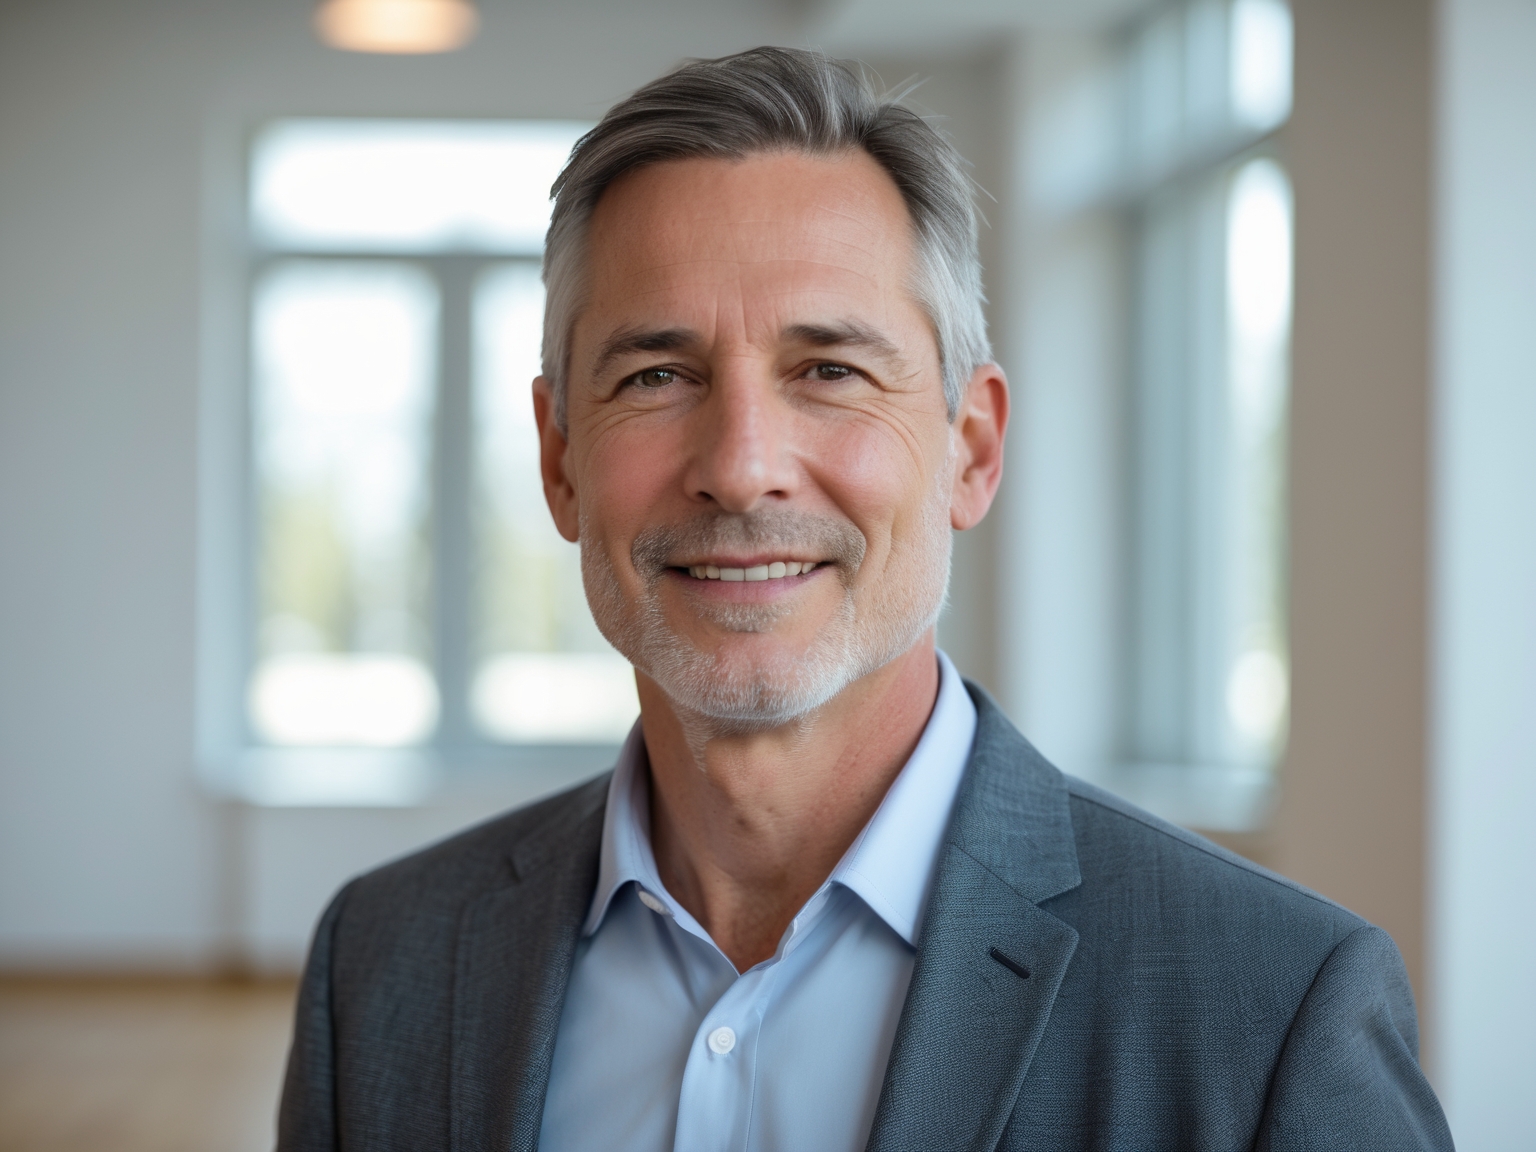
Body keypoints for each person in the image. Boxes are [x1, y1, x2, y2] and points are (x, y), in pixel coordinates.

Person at [277, 47, 1452, 1152]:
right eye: (657, 375)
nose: (741, 467)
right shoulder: (381, 966)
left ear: (971, 449)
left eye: (829, 370)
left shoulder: (1271, 1013)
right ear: (559, 459)